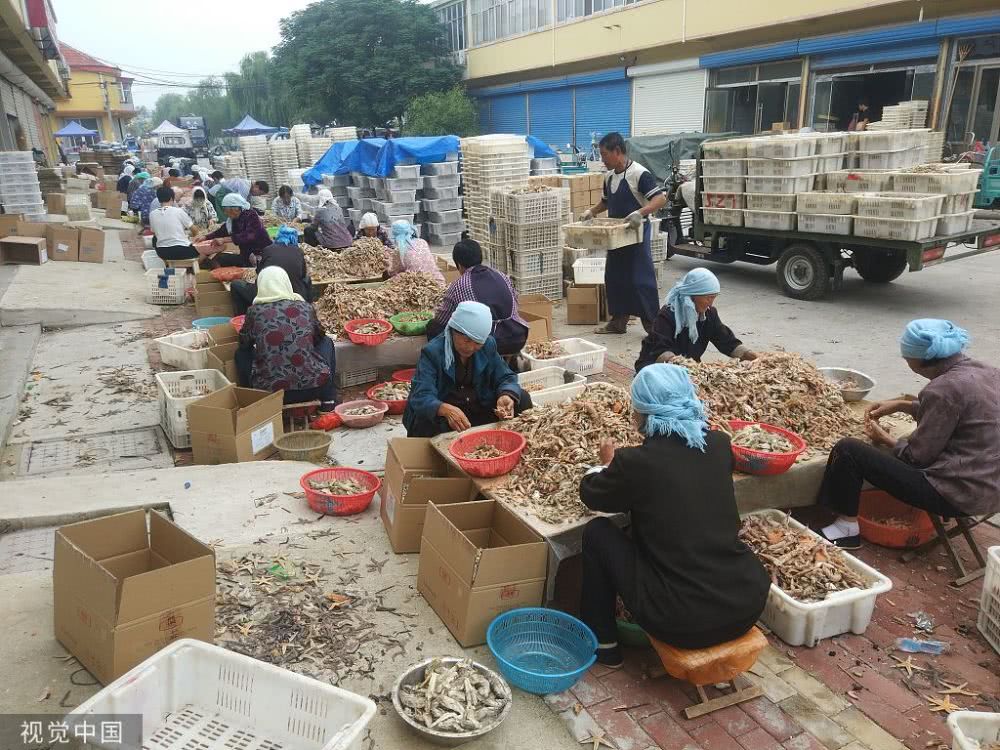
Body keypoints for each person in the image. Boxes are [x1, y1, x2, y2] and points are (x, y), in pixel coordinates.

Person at [578, 364, 770, 667]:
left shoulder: (636, 463)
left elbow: (592, 495)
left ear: (644, 413)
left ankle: (604, 646)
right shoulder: (719, 444)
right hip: (746, 604)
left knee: (597, 532)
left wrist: (606, 465)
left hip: (680, 620)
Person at [816, 319, 1000, 550]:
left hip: (958, 495)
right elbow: (955, 412)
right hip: (993, 490)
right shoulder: (988, 372)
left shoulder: (943, 389)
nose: (905, 361)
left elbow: (916, 457)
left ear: (921, 360)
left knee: (849, 450)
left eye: (906, 357)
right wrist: (904, 405)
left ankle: (846, 530)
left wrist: (884, 438)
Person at [404, 301, 532, 438]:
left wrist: (505, 395)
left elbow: (505, 377)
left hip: (476, 406)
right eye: (466, 340)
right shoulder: (433, 352)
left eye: (477, 342)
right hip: (449, 414)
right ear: (453, 330)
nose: (471, 348)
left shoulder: (488, 345)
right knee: (425, 422)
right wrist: (444, 409)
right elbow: (421, 395)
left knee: (522, 398)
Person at [583, 132, 667, 335]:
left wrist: (640, 212)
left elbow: (660, 199)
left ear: (617, 151)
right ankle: (618, 322)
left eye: (604, 154)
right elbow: (606, 201)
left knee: (640, 280)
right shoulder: (609, 177)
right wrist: (591, 212)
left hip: (636, 234)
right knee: (615, 278)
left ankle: (654, 327)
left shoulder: (639, 174)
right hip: (616, 236)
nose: (602, 159)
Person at [236, 267, 336, 412]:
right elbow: (319, 336)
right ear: (286, 284)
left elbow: (244, 343)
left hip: (270, 393)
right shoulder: (306, 307)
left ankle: (250, 401)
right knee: (326, 342)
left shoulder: (254, 311)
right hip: (313, 387)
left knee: (241, 354)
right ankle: (328, 400)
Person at [635, 268, 757, 371]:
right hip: (656, 367)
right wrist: (686, 367)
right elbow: (661, 350)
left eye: (714, 298)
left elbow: (726, 341)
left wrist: (750, 355)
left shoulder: (709, 314)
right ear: (692, 296)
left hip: (688, 366)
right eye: (708, 298)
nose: (710, 303)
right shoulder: (667, 315)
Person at [426, 238, 529, 357]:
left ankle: (449, 364)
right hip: (518, 335)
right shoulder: (502, 276)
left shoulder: (459, 285)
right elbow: (515, 303)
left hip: (490, 342)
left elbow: (442, 319)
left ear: (459, 265)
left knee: (434, 327)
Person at [231, 226, 311, 315]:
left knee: (236, 284)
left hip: (267, 295)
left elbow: (259, 273)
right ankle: (308, 310)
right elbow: (303, 275)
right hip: (293, 293)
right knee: (307, 279)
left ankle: (242, 315)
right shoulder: (299, 251)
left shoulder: (268, 249)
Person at [199, 193, 271, 267]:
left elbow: (249, 235)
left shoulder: (251, 215)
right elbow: (221, 232)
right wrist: (205, 237)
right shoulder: (233, 220)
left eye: (225, 210)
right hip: (246, 255)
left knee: (221, 260)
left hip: (261, 254)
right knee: (218, 258)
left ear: (235, 209)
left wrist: (224, 240)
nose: (225, 213)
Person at [149, 186, 200, 261]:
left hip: (162, 252)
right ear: (171, 198)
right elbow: (195, 230)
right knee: (205, 251)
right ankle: (191, 266)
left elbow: (155, 233)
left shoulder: (152, 214)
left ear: (159, 199)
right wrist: (194, 239)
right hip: (181, 250)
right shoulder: (178, 211)